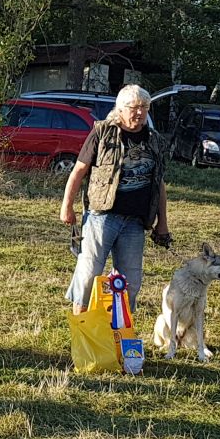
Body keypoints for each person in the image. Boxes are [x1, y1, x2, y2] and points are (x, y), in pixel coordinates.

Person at [60, 84, 170, 314]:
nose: (139, 113)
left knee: (130, 282)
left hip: (135, 221)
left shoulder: (155, 140)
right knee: (89, 272)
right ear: (120, 109)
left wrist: (163, 223)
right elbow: (79, 171)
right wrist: (67, 206)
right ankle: (81, 323)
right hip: (101, 216)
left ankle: (119, 329)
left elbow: (159, 183)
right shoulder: (101, 132)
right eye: (134, 107)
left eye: (144, 107)